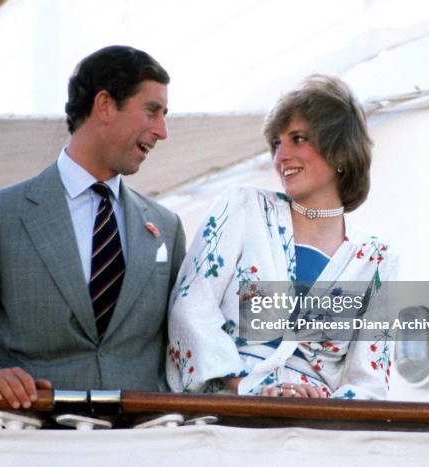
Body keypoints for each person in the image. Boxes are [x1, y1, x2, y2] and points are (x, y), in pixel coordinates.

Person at [0, 45, 186, 409]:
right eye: (152, 111)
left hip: (145, 444)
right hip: (33, 441)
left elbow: (195, 330)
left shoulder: (166, 226)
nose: (162, 131)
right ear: (105, 105)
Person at [167, 75, 398, 399]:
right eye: (277, 144)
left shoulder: (377, 260)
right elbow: (190, 308)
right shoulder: (242, 208)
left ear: (340, 152)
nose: (281, 156)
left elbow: (370, 379)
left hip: (315, 435)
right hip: (228, 422)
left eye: (298, 139)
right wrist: (250, 388)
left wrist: (325, 406)